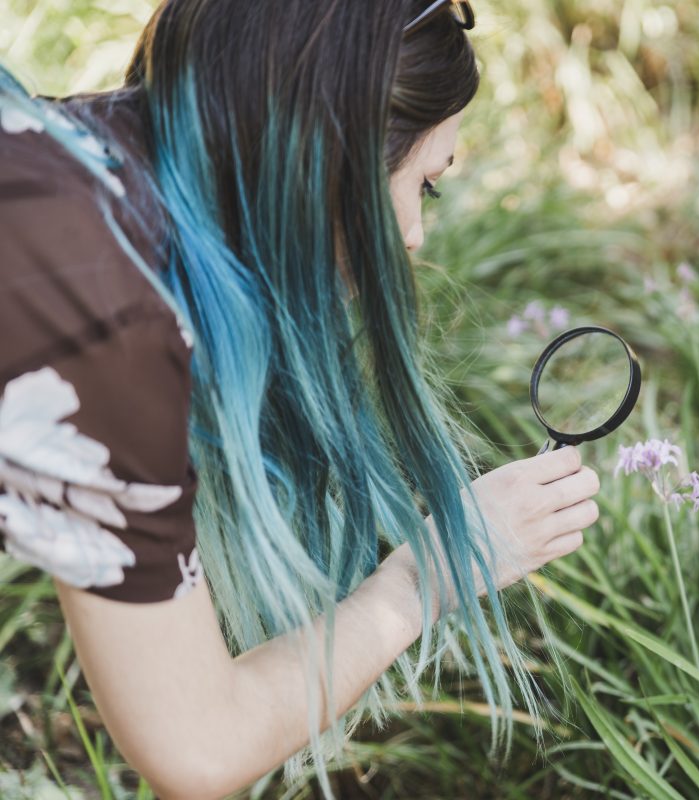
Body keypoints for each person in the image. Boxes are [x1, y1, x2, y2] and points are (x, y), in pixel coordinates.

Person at [0, 1, 602, 796]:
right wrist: (420, 585)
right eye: (425, 183)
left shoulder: (54, 153)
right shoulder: (107, 321)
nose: (417, 235)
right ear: (336, 161)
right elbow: (199, 745)